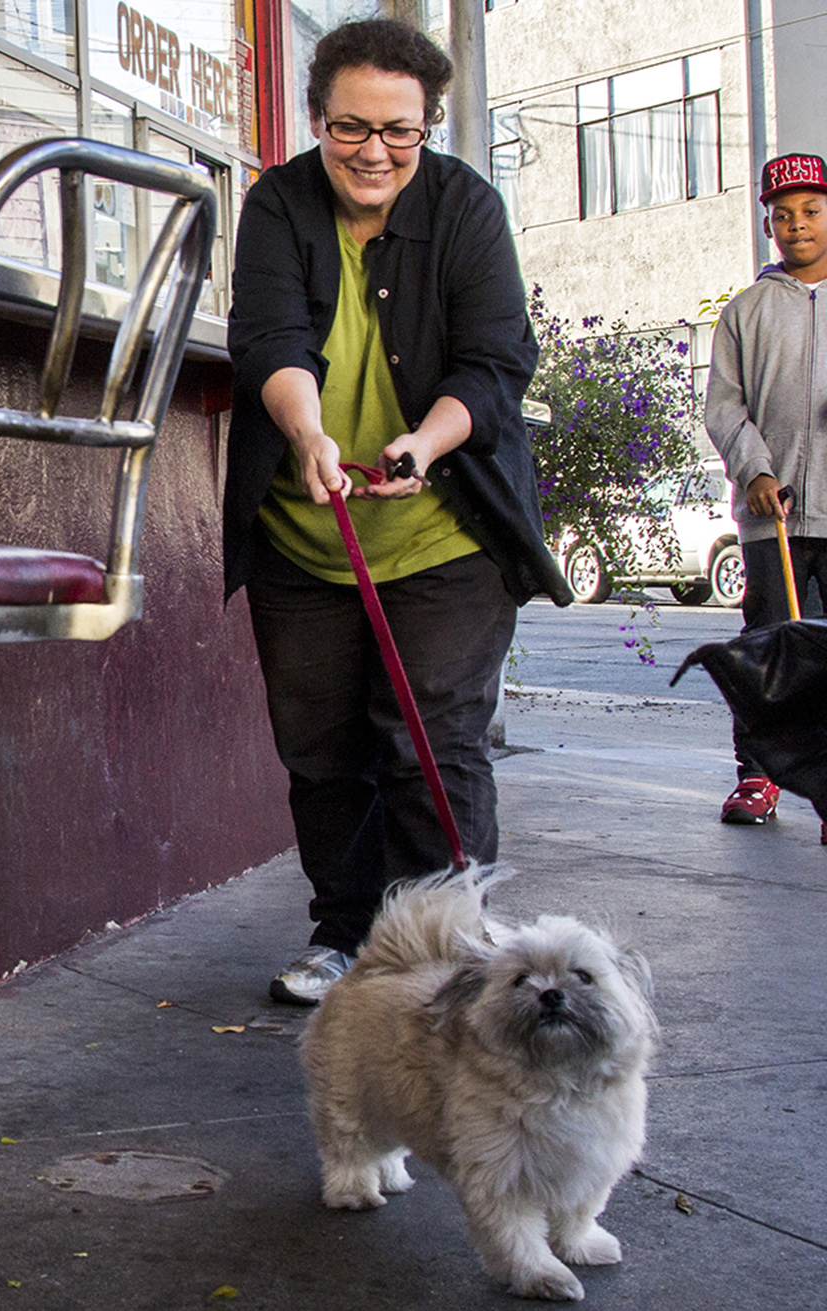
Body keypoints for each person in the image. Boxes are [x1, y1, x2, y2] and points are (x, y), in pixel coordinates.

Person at [224, 18, 570, 1005]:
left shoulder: (465, 209)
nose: (374, 151)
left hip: (444, 528)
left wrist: (425, 440)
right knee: (324, 754)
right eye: (350, 128)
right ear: (315, 119)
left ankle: (452, 950)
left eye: (399, 131)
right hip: (307, 529)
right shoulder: (277, 205)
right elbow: (267, 340)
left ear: (429, 126)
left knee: (430, 741)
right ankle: (345, 937)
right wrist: (306, 435)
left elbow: (495, 362)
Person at [704, 152, 827, 831]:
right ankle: (757, 775)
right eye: (783, 216)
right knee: (771, 648)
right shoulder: (745, 313)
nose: (797, 225)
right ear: (767, 225)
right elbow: (724, 406)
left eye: (811, 211)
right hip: (770, 518)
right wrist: (754, 467)